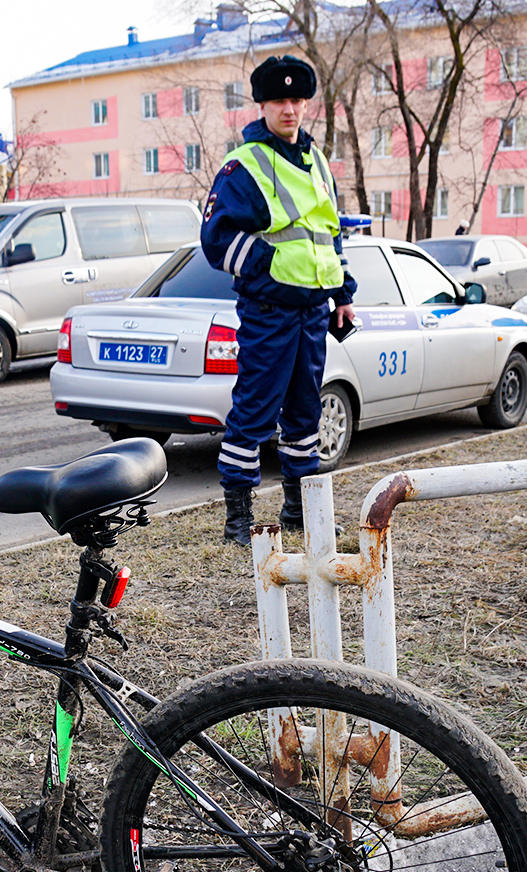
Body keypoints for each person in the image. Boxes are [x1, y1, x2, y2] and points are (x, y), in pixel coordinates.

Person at [199, 55, 357, 545]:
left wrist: (342, 294)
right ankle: (239, 520)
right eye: (278, 101)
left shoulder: (317, 162)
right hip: (268, 311)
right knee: (253, 412)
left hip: (313, 311)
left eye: (296, 100)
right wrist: (266, 269)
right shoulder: (244, 165)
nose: (289, 109)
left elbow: (327, 234)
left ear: (304, 104)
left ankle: (297, 511)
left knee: (305, 414)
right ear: (262, 105)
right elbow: (216, 239)